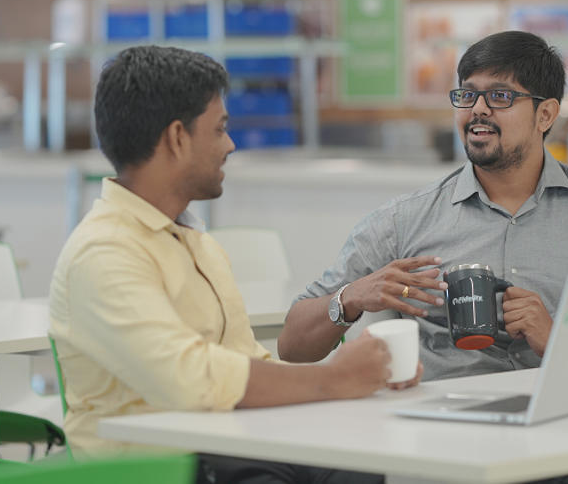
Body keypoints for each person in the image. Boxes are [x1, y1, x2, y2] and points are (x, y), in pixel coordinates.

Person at [278, 31, 568, 484]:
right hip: (445, 442)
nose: (478, 110)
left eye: (500, 96)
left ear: (545, 114)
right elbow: (292, 344)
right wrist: (352, 297)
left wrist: (567, 339)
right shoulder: (403, 220)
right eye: (467, 94)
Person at [49, 45, 415, 483]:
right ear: (177, 138)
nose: (230, 145)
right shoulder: (104, 252)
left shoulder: (193, 241)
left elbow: (245, 361)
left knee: (364, 461)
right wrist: (332, 380)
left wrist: (361, 378)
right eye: (220, 129)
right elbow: (193, 380)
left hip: (225, 447)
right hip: (158, 468)